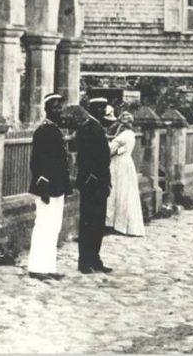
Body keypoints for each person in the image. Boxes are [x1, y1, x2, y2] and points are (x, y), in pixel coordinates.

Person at [26, 93, 72, 281]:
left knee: (54, 226)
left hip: (57, 186)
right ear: (46, 109)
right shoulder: (43, 131)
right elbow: (37, 162)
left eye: (60, 107)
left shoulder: (54, 130)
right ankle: (37, 267)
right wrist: (43, 186)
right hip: (47, 187)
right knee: (43, 225)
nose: (59, 111)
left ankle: (48, 266)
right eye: (54, 107)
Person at [75, 106, 112, 274]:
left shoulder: (97, 127)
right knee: (88, 222)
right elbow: (84, 158)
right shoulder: (86, 128)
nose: (103, 111)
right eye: (101, 108)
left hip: (101, 183)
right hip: (91, 184)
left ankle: (95, 259)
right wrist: (92, 177)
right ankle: (85, 261)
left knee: (98, 223)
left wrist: (106, 182)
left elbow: (104, 160)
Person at [106, 111, 146, 237]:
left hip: (120, 165)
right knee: (125, 192)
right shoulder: (130, 134)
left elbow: (110, 149)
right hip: (126, 163)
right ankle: (122, 224)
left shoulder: (124, 135)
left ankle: (118, 224)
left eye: (122, 122)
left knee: (119, 192)